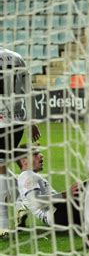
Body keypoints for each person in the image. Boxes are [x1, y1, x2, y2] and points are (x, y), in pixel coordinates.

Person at [0, 47, 41, 237]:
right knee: (2, 165)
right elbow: (29, 92)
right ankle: (20, 204)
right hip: (17, 120)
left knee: (0, 168)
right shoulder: (17, 57)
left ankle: (4, 224)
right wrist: (31, 121)